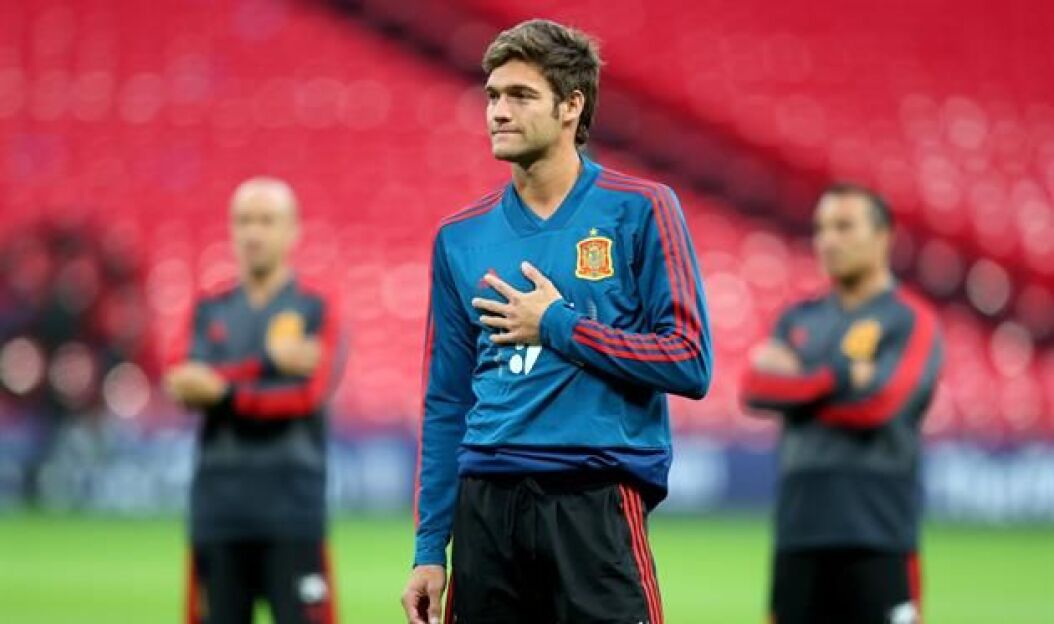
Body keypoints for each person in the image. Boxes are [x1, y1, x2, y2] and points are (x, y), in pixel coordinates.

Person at [400, 19, 713, 624]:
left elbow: (688, 359)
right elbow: (446, 401)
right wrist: (430, 549)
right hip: (486, 507)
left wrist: (558, 325)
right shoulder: (459, 237)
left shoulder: (641, 209)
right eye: (493, 95)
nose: (498, 111)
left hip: (593, 501)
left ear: (572, 106)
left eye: (521, 95)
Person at [740, 183, 943, 624]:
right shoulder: (799, 317)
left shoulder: (910, 318)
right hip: (799, 527)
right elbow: (755, 388)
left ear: (884, 236)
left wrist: (798, 384)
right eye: (821, 228)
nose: (828, 240)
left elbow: (881, 403)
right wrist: (845, 376)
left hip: (878, 530)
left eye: (844, 226)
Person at [165, 177, 345, 624]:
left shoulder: (315, 307)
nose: (253, 233)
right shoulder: (210, 307)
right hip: (218, 512)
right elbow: (180, 382)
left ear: (292, 231)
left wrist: (221, 389)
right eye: (244, 221)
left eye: (266, 221)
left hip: (293, 512)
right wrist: (268, 364)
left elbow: (306, 394)